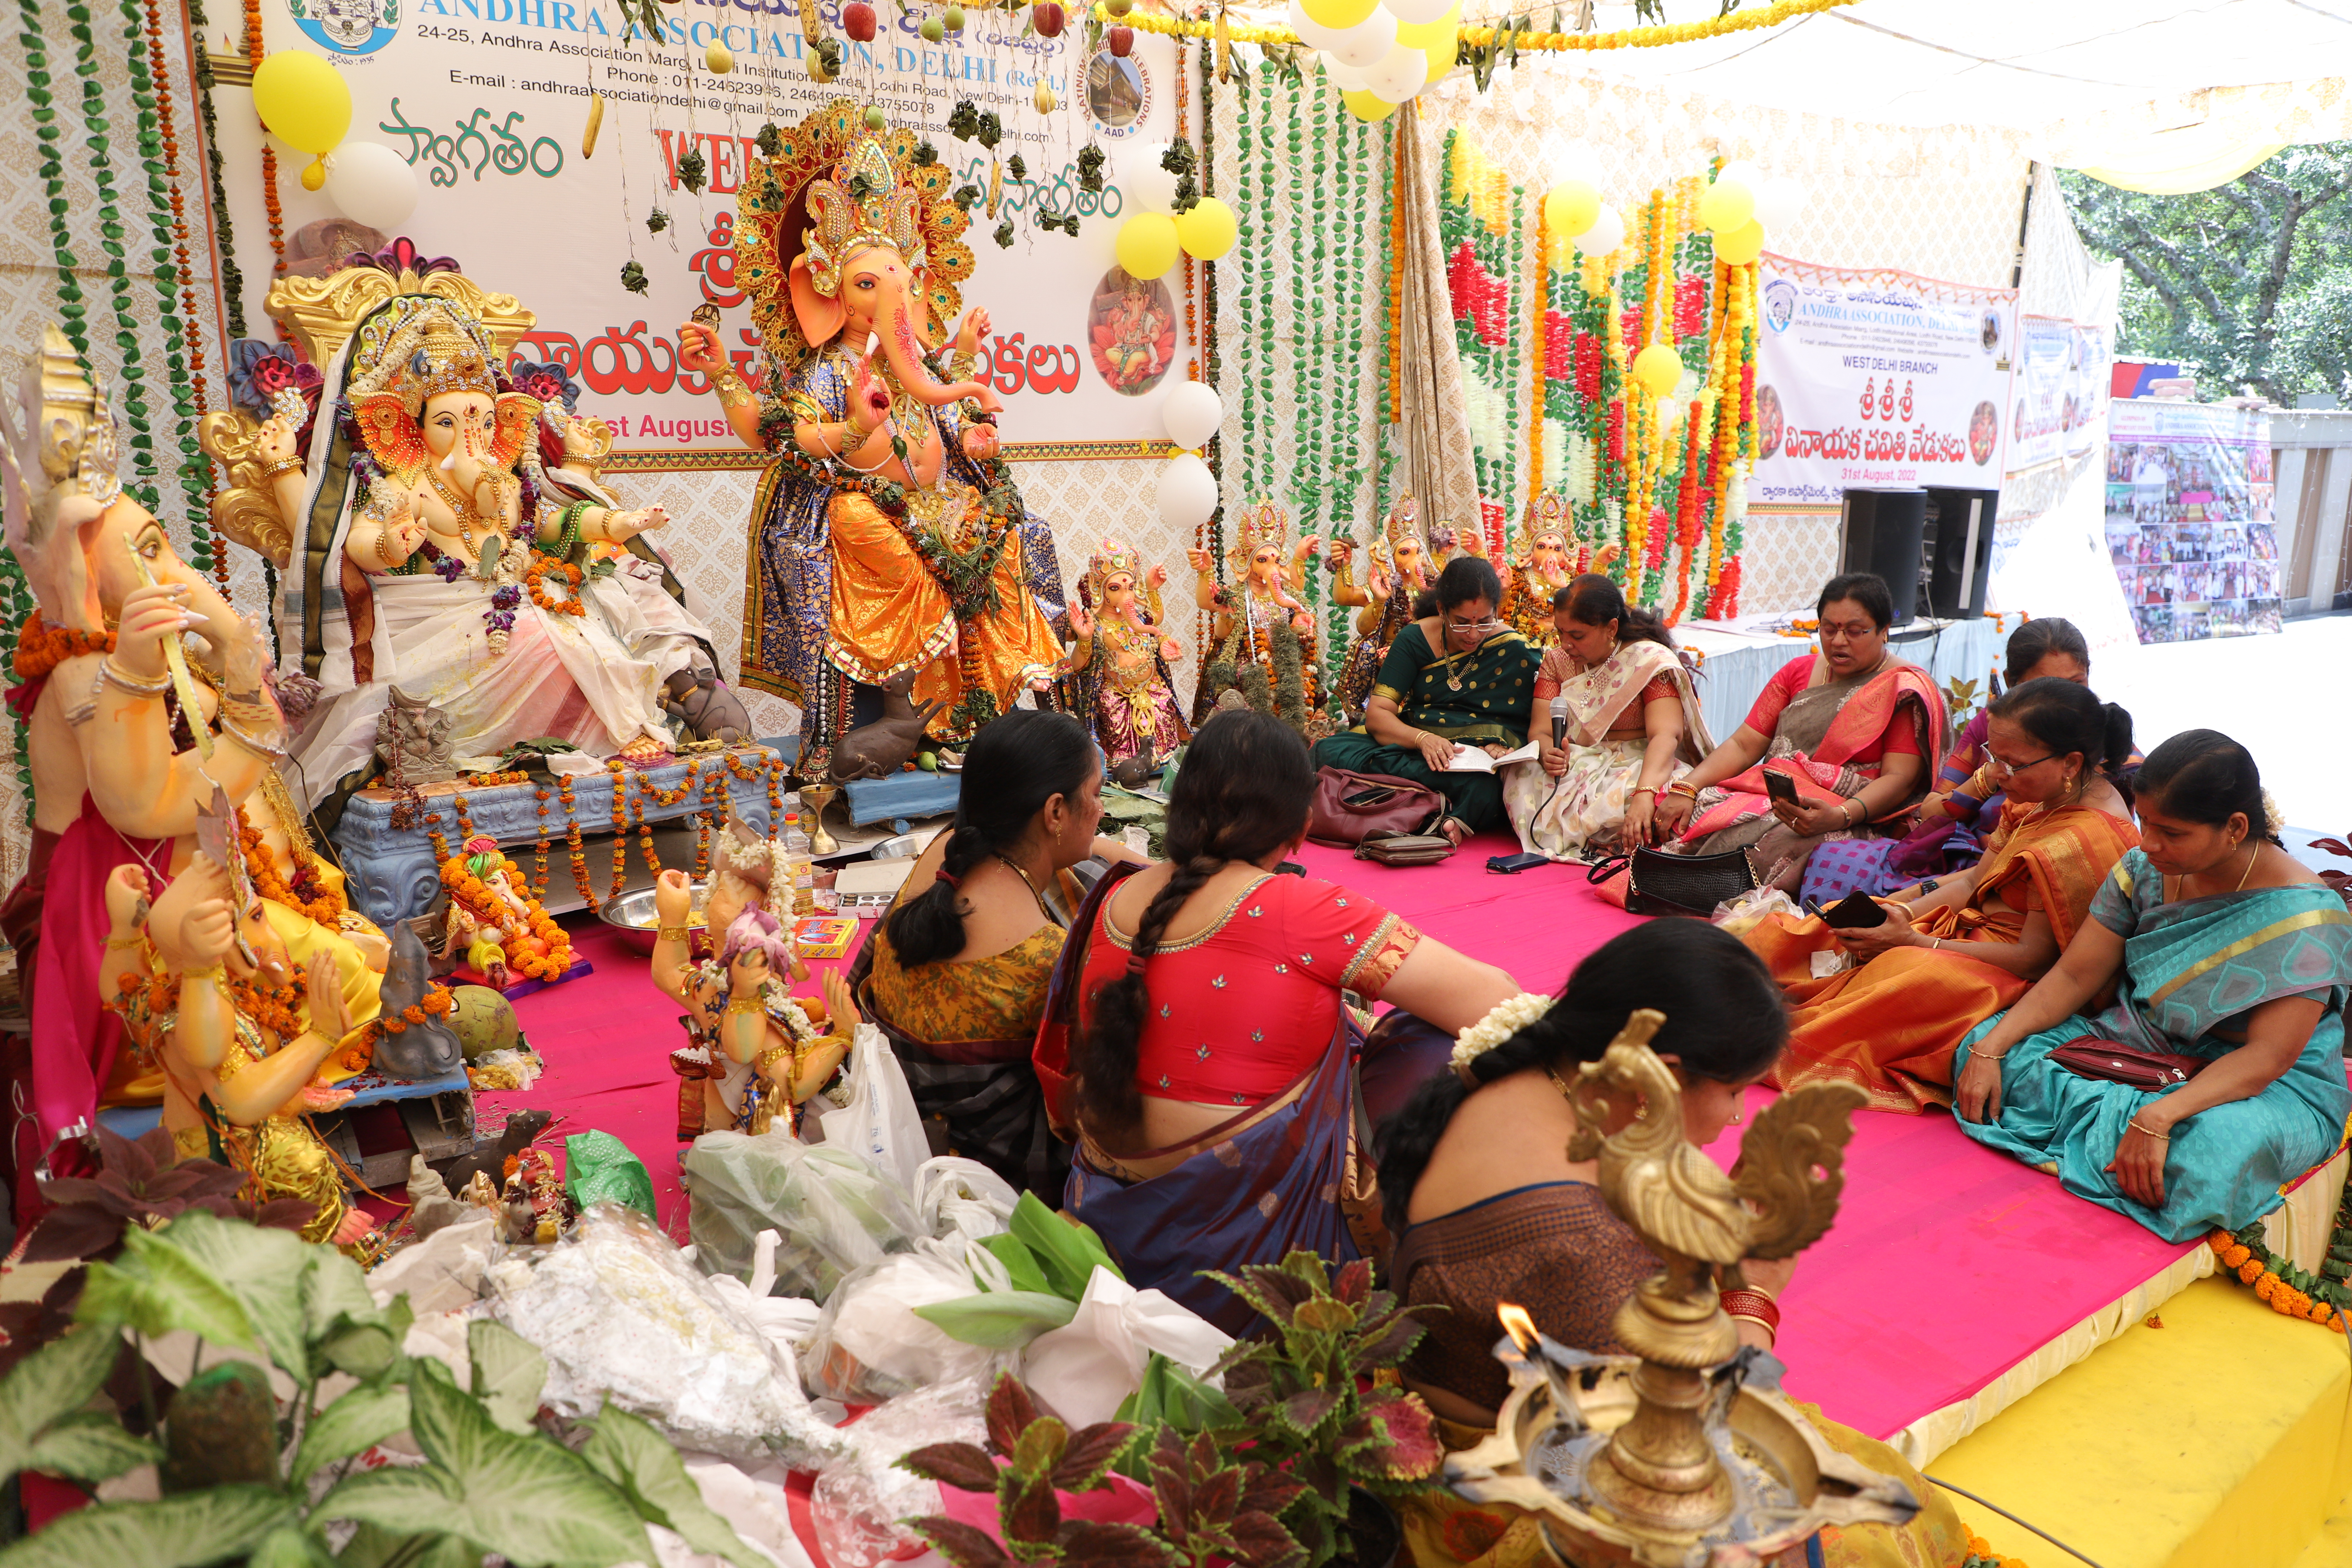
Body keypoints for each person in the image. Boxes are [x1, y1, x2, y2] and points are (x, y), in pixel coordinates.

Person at [1376, 922, 1969, 1568]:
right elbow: (1698, 1435)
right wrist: (1755, 1295)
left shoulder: (1532, 1068)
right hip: (1542, 1487)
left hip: (1493, 1392)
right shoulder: (1580, 1250)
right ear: (1660, 1074)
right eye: (1736, 1091)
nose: (1739, 1117)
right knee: (1858, 1533)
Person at [1034, 710, 1521, 1330]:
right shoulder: (1302, 908)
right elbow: (1497, 1004)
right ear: (1302, 821)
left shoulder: (1113, 894)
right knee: (1424, 1045)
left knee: (1339, 1021)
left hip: (1104, 1220)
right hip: (1245, 1263)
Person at [1955, 732, 2352, 1241]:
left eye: (2172, 833)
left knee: (2213, 1150)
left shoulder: (2305, 916)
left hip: (2257, 1082)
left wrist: (2161, 1115)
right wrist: (1991, 1049)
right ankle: (2116, 1148)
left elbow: (2265, 1061)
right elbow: (2076, 976)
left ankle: (2117, 1139)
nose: (2148, 844)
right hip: (2136, 1041)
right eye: (2145, 823)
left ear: (2235, 827)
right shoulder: (2145, 869)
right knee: (1982, 1048)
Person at [1736, 678, 2139, 1112]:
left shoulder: (2081, 839)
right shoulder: (2041, 797)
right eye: (1995, 758)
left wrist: (1913, 941)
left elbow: (2036, 959)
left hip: (2005, 970)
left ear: (2071, 762)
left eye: (2013, 764)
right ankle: (1724, 988)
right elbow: (1969, 884)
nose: (1997, 775)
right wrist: (1901, 911)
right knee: (1832, 921)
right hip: (1961, 932)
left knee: (1903, 974)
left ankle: (1758, 1041)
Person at [850, 710, 1148, 1199]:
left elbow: (1089, 849)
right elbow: (1099, 1103)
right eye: (1095, 795)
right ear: (1054, 813)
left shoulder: (947, 853)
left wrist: (1114, 852)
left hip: (899, 1115)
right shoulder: (1045, 958)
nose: (1102, 810)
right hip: (993, 1173)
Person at [1652, 573, 1947, 887]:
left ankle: (1704, 892)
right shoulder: (1799, 672)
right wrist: (1687, 788)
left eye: (1856, 631)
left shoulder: (1902, 690)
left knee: (1778, 841)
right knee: (1682, 810)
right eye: (1829, 629)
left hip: (1854, 813)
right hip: (1778, 797)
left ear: (1884, 631)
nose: (1839, 641)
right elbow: (1744, 744)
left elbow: (1899, 780)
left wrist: (1842, 815)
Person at [1804, 617, 2117, 903]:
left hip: (2007, 881)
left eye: (2076, 684)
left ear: (2072, 765)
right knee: (1830, 862)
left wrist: (1916, 914)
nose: (2063, 704)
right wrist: (1992, 775)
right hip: (1964, 859)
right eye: (2043, 689)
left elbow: (2023, 879)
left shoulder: (2102, 749)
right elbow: (1932, 810)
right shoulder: (1995, 729)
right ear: (2012, 683)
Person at [1310, 556, 1541, 844]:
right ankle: (1436, 814)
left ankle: (1423, 811)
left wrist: (1506, 745)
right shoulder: (1415, 638)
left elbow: (1535, 720)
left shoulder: (1515, 650)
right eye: (1461, 623)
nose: (1472, 635)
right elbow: (1379, 715)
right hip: (1415, 748)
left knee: (1486, 787)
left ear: (1497, 611)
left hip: (1469, 765)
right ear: (1443, 610)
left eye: (1484, 623)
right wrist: (1422, 740)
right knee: (1327, 751)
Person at [1501, 574, 1711, 859]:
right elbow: (1540, 731)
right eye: (1561, 633)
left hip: (1639, 763)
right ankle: (1607, 841)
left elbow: (1666, 735)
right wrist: (1547, 751)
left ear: (1611, 628)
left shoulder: (1648, 660)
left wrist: (1644, 794)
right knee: (1522, 773)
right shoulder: (1556, 662)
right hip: (1575, 760)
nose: (1566, 644)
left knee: (1666, 798)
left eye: (1577, 636)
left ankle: (1614, 836)